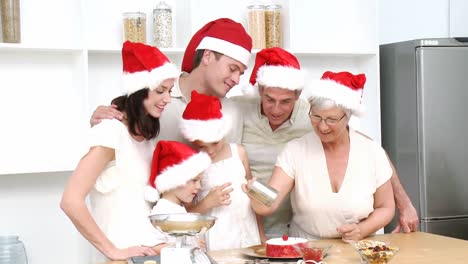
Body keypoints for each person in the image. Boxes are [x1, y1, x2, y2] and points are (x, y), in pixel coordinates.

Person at [60, 41, 179, 262]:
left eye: (170, 91)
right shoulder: (110, 133)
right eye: (160, 91)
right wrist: (113, 251)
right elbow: (70, 201)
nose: (168, 99)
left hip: (145, 256)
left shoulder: (145, 139)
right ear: (138, 92)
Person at [243, 71, 395, 241]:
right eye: (316, 116)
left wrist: (361, 229)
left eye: (331, 120)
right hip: (306, 249)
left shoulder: (371, 151)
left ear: (348, 116)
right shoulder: (295, 150)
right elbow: (268, 205)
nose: (322, 127)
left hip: (358, 249)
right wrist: (255, 190)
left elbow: (386, 207)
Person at [178, 90, 263, 250]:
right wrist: (207, 202)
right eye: (202, 146)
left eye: (215, 143)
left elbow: (254, 199)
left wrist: (262, 238)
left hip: (248, 237)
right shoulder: (193, 164)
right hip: (217, 241)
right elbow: (185, 214)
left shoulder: (239, 152)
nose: (210, 151)